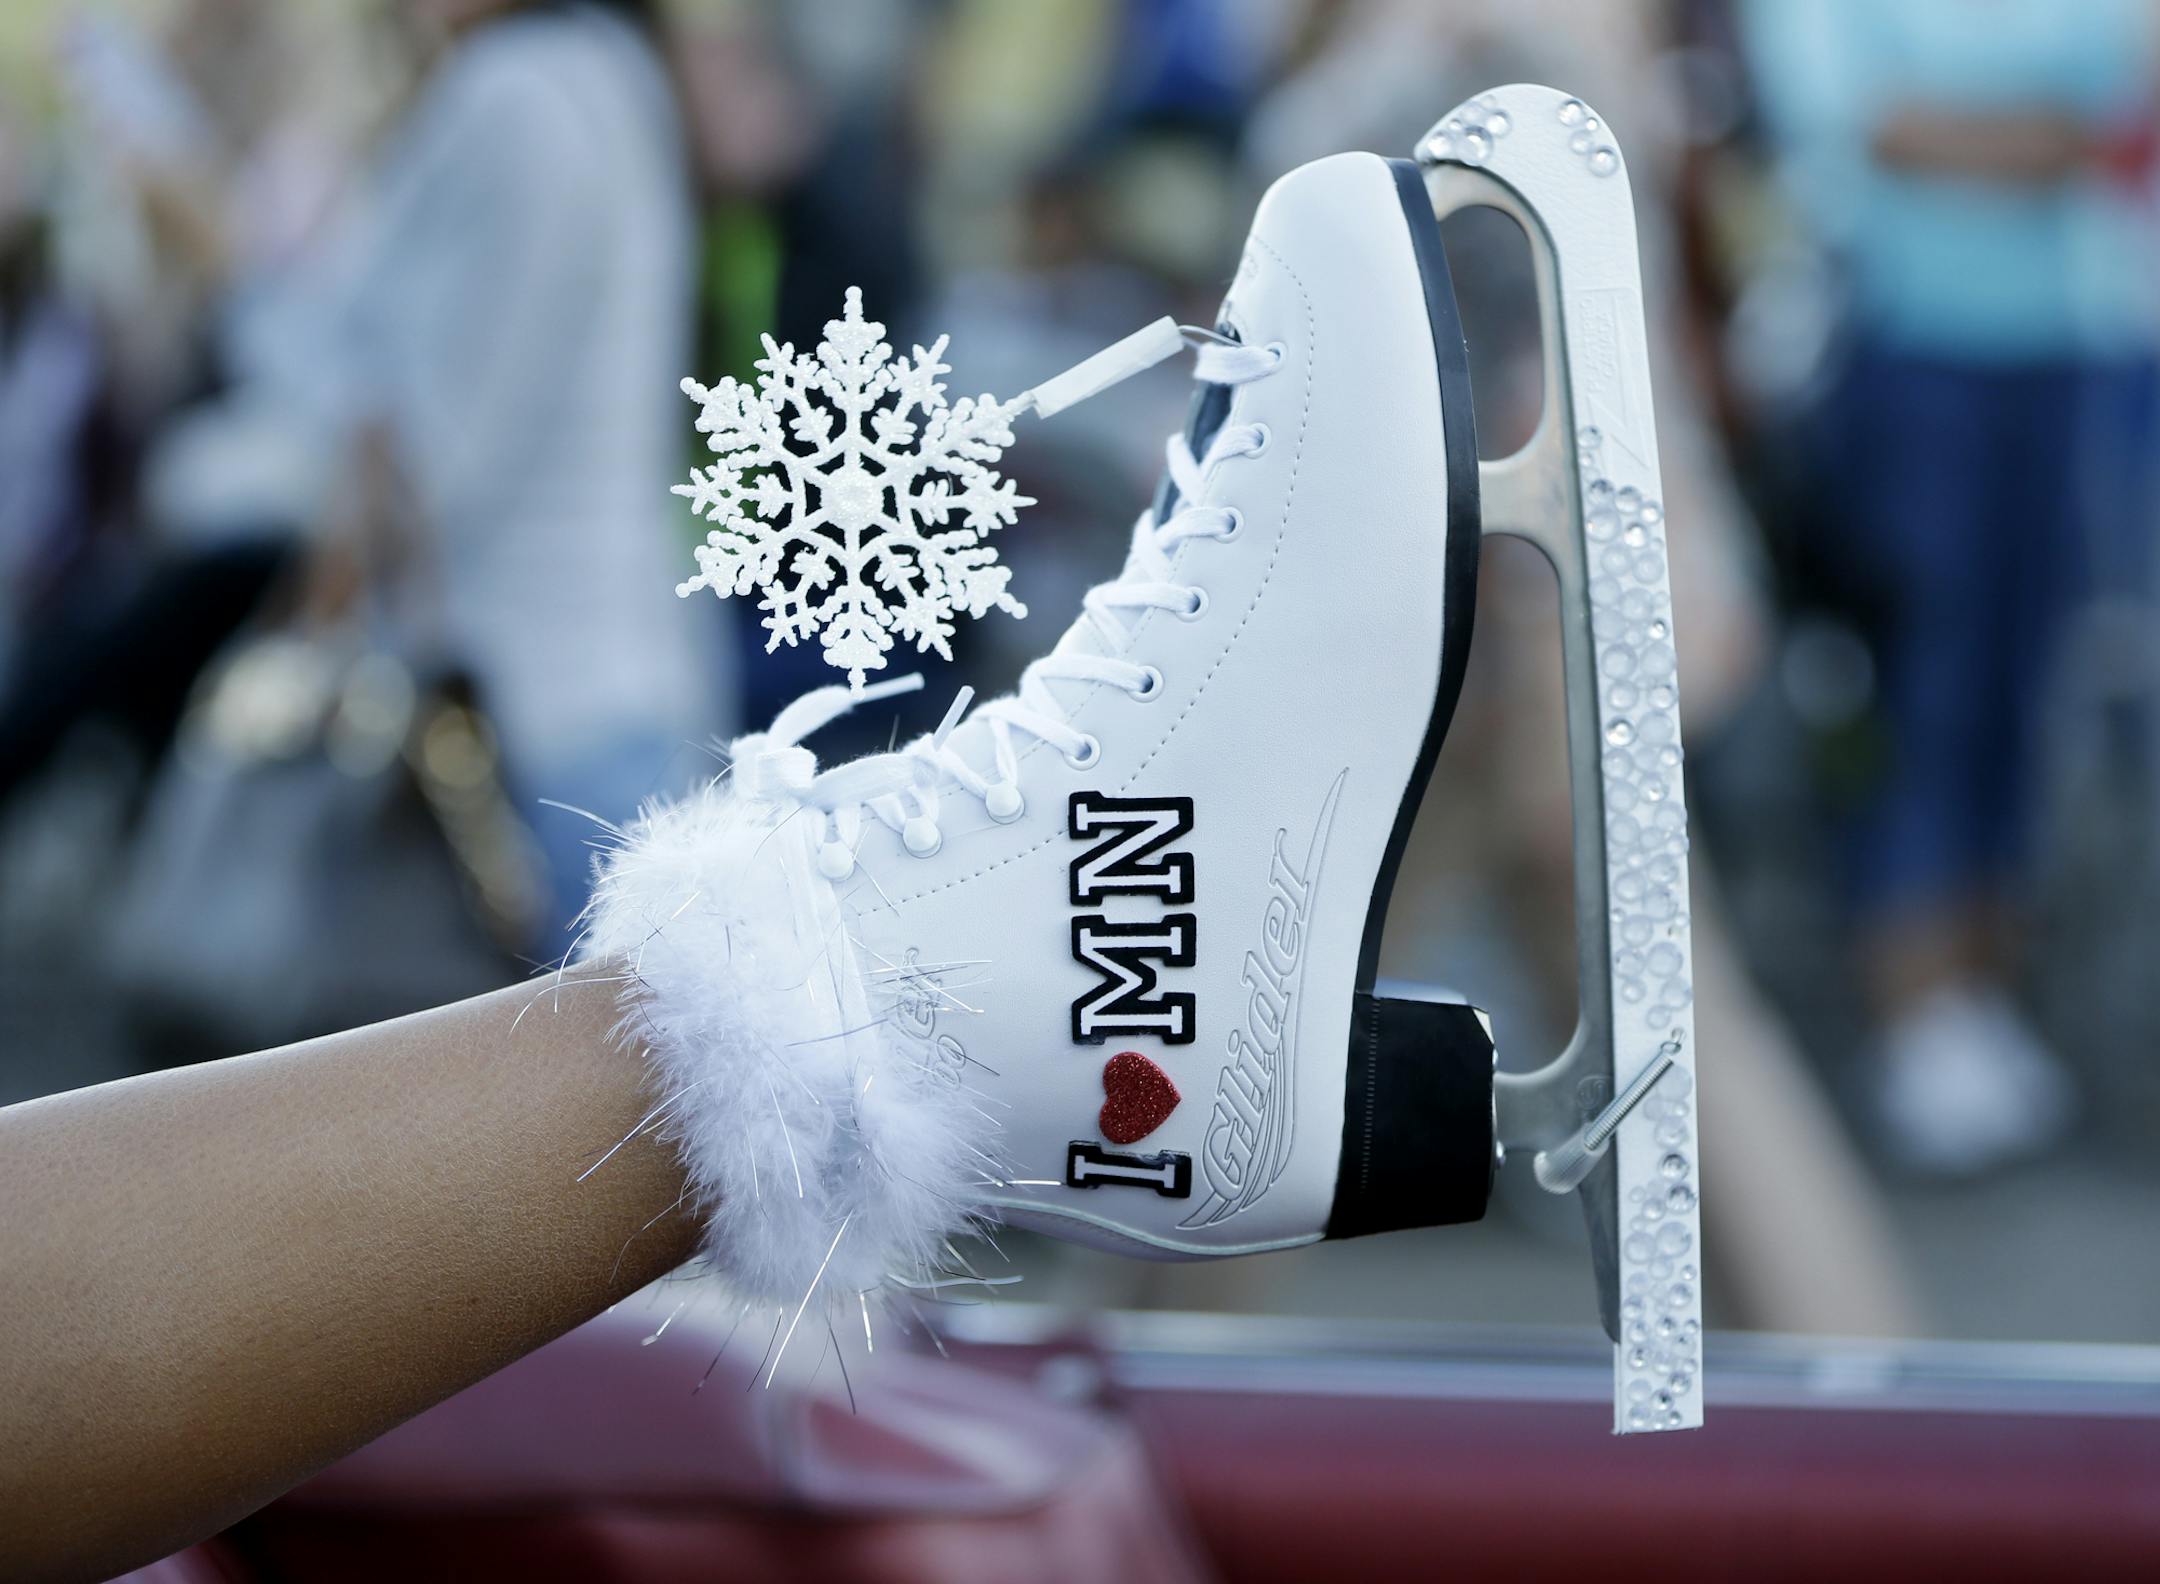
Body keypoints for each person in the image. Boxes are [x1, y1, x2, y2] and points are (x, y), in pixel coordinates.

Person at [1743, 0, 2160, 1173]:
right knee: (1917, 681)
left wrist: (1988, 140)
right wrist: (2047, 139)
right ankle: (1915, 1007)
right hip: (1901, 351)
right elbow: (1873, 129)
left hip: (2070, 348)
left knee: (2025, 685)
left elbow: (2119, 101)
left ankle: (1981, 994)